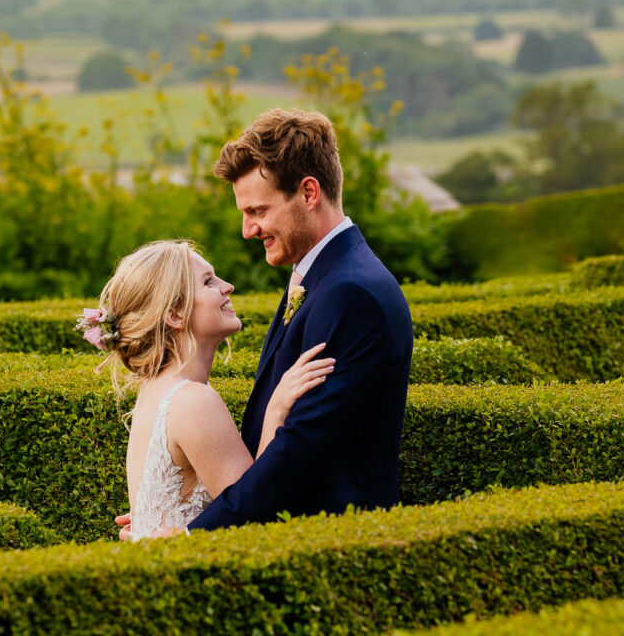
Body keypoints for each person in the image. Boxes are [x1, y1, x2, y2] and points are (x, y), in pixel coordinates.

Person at [113, 108, 413, 538]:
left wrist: (187, 534)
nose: (247, 230)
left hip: (328, 545)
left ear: (309, 193)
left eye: (257, 210)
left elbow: (299, 454)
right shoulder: (321, 276)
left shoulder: (351, 293)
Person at [84, 240, 334, 540]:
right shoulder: (192, 401)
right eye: (208, 282)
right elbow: (256, 515)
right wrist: (277, 409)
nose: (227, 286)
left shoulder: (158, 389)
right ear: (174, 315)